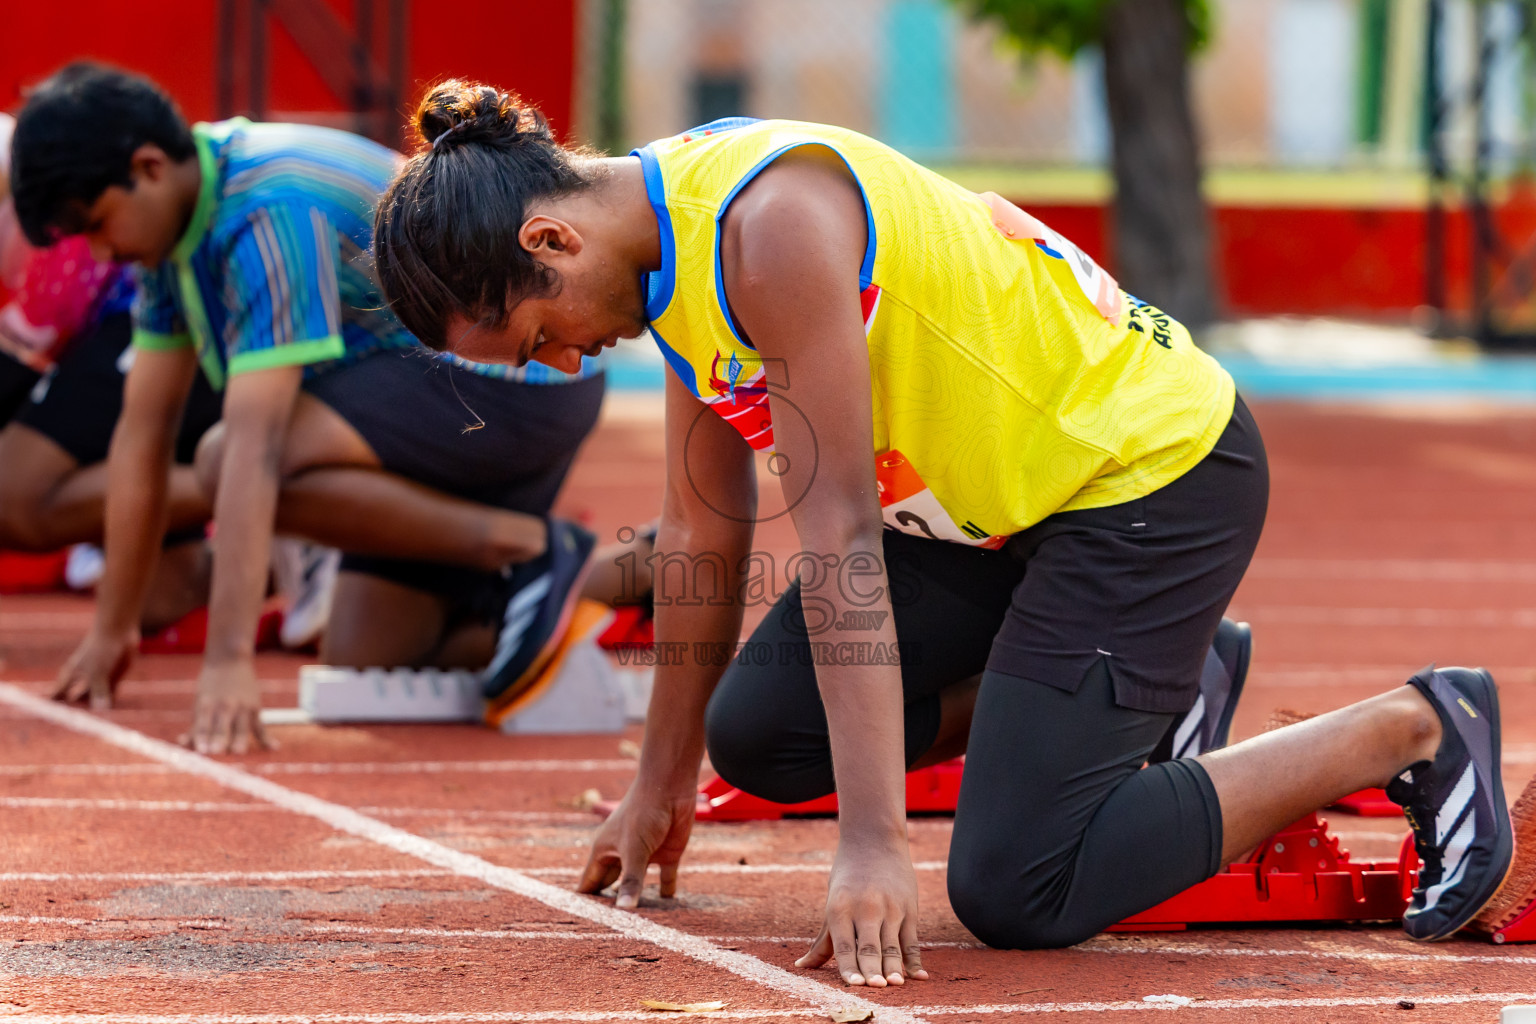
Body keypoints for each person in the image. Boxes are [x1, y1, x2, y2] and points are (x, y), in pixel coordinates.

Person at [370, 83, 1513, 982]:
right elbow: (702, 526)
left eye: (537, 338)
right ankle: (1161, 681)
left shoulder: (763, 230)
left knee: (1020, 887)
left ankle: (1409, 726)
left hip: (1145, 479)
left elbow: (840, 543)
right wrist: (658, 780)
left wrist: (872, 842)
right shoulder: (651, 251)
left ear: (550, 243)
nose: (565, 362)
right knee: (759, 737)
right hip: (990, 517)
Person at [11, 63, 644, 751]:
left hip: (519, 380)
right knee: (369, 653)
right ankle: (640, 573)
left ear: (149, 166)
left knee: (229, 456)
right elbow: (144, 431)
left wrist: (227, 663)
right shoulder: (173, 234)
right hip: (445, 395)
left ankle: (526, 551)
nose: (102, 251)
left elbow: (255, 447)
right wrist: (113, 629)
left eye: (97, 224)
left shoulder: (270, 206)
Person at [0, 110, 219, 620]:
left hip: (142, 314)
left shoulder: (19, 166)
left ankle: (283, 488)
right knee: (159, 602)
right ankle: (277, 537)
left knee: (10, 493)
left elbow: (41, 323)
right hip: (121, 323)